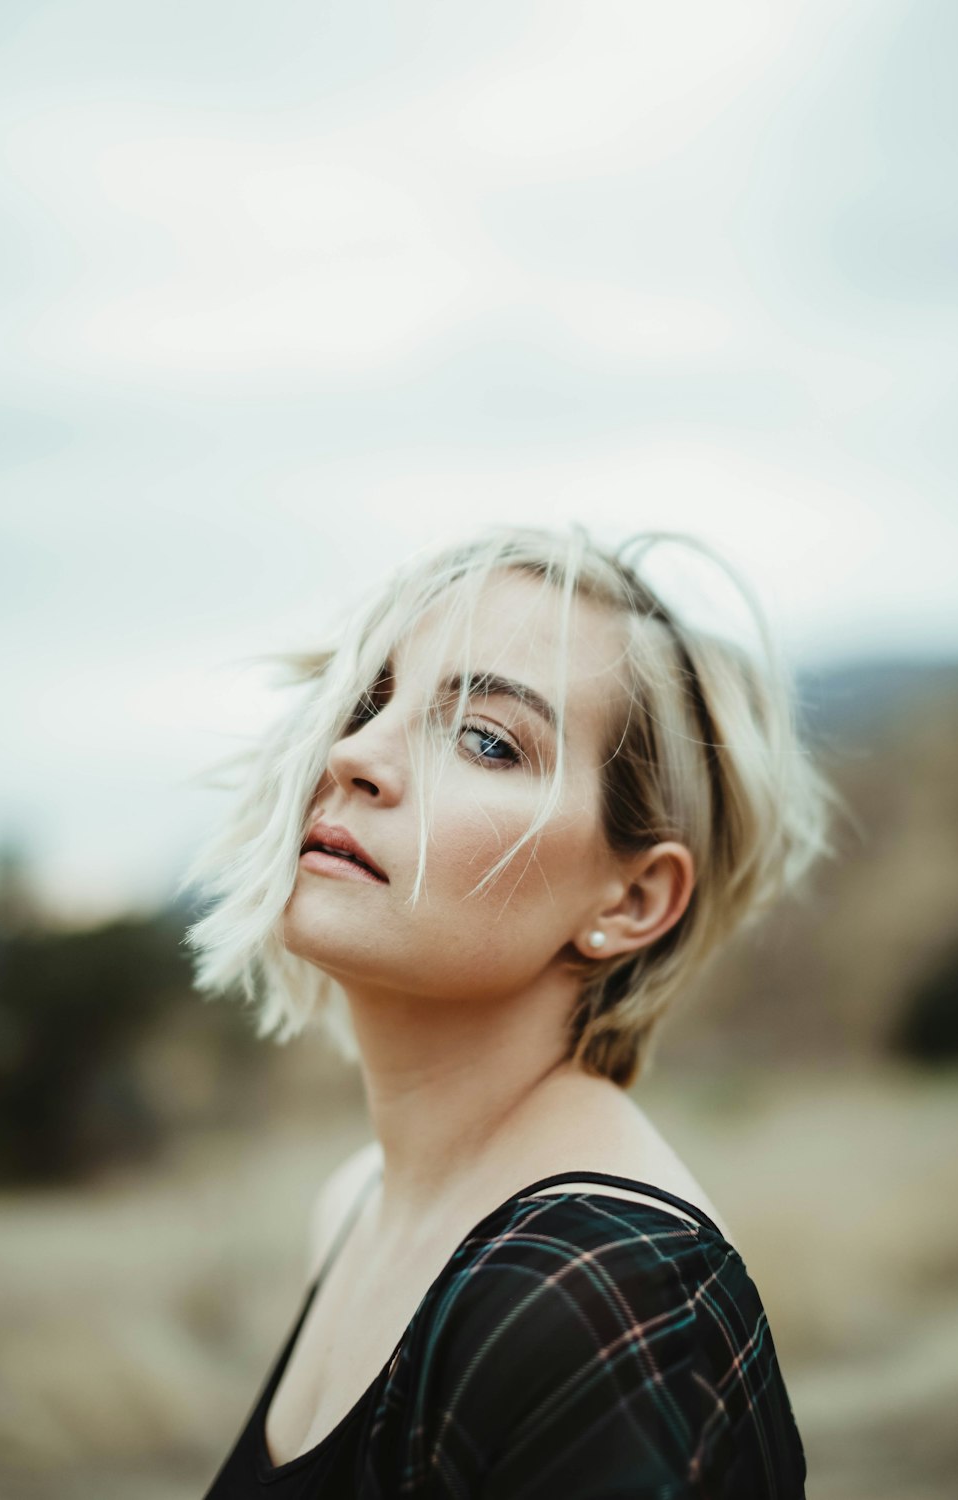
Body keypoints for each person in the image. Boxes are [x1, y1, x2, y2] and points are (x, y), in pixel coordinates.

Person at [182, 524, 837, 1497]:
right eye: (368, 699)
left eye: (488, 740)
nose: (356, 754)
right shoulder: (355, 1207)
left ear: (631, 901)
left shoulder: (608, 1297)